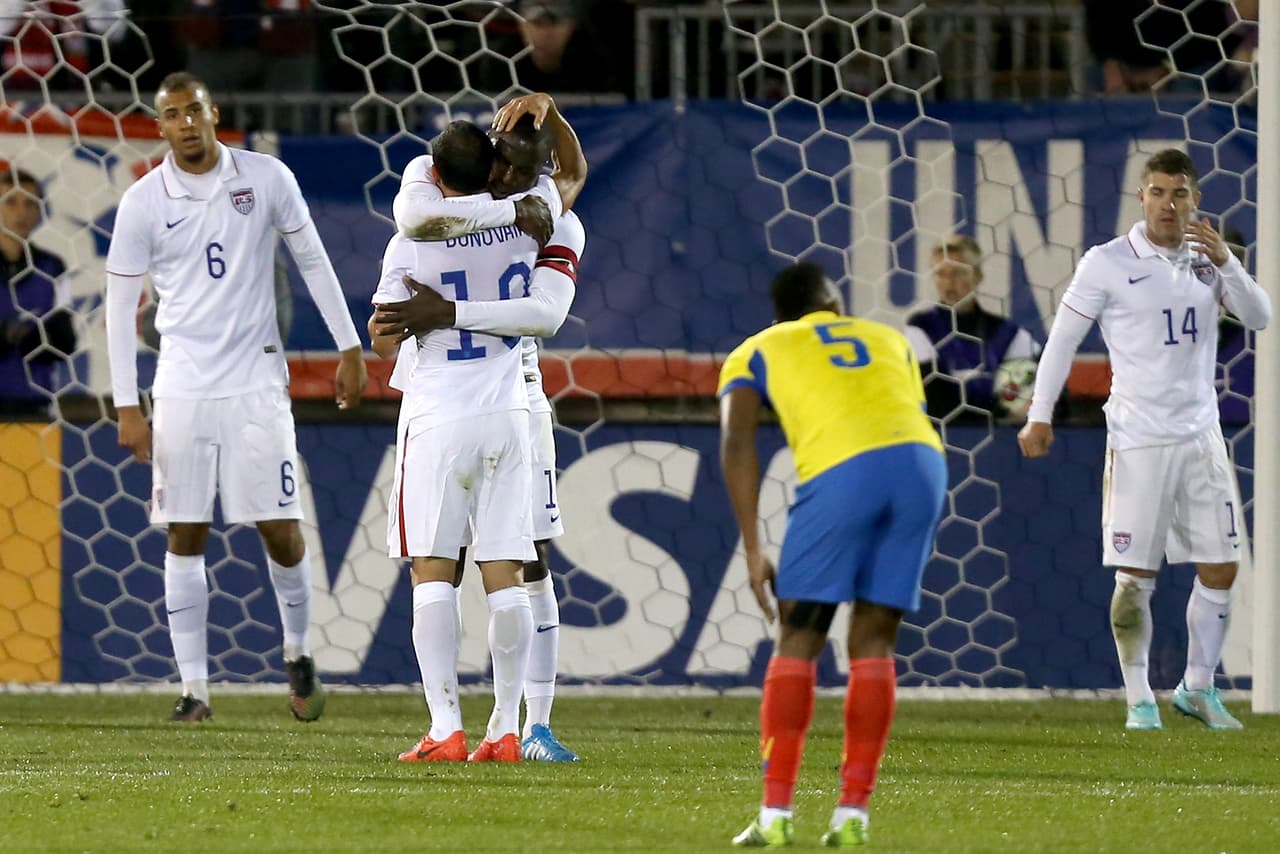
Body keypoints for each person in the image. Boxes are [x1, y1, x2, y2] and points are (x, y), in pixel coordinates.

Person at [104, 71, 368, 723]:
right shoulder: (143, 201)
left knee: (280, 530)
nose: (186, 122)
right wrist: (127, 405)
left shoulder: (266, 178)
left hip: (256, 381)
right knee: (185, 533)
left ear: (213, 112)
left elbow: (312, 259)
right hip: (184, 385)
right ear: (160, 126)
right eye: (172, 115)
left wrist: (350, 347)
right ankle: (194, 690)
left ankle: (299, 652)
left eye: (194, 109)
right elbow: (116, 307)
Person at [1018, 148, 1270, 732]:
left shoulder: (1209, 261)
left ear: (1195, 200)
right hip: (1138, 441)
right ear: (1142, 198)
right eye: (1157, 192)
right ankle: (1138, 699)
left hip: (1201, 437)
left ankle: (1197, 688)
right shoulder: (1107, 262)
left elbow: (1260, 318)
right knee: (1135, 580)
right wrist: (1040, 414)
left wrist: (1229, 263)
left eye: (1178, 193)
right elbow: (1060, 341)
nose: (1167, 204)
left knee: (1223, 568)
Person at [376, 92, 588, 763]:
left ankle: (450, 727)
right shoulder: (537, 221)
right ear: (493, 164)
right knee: (510, 571)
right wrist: (549, 118)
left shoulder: (413, 232)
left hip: (439, 414)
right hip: (508, 411)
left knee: (434, 571)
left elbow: (383, 335)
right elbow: (574, 178)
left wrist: (437, 316)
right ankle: (503, 728)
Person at [719, 262, 946, 847]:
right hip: (924, 464)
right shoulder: (889, 338)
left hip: (846, 472)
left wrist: (752, 549)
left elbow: (736, 440)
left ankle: (774, 817)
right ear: (835, 304)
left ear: (781, 315)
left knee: (800, 633)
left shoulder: (757, 347)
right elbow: (899, 408)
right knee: (873, 639)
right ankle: (853, 817)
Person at [904, 234, 1042, 422]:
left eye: (958, 272)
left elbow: (1044, 392)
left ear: (977, 276)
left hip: (1002, 441)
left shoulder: (1009, 334)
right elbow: (934, 398)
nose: (948, 282)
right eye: (940, 273)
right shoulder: (920, 328)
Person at [0, 167, 76, 419]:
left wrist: (30, 337)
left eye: (30, 203)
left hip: (33, 406)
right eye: (10, 202)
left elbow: (65, 340)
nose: (21, 212)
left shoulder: (52, 267)